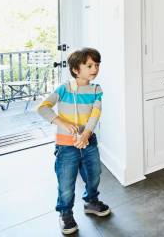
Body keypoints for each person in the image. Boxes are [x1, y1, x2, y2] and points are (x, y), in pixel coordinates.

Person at [37, 47, 111, 235]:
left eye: (97, 65)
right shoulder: (64, 88)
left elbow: (95, 113)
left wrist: (86, 134)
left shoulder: (96, 89)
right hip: (66, 146)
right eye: (89, 65)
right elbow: (43, 108)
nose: (95, 68)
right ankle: (65, 213)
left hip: (89, 142)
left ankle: (91, 202)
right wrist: (61, 122)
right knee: (66, 183)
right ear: (76, 70)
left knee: (94, 174)